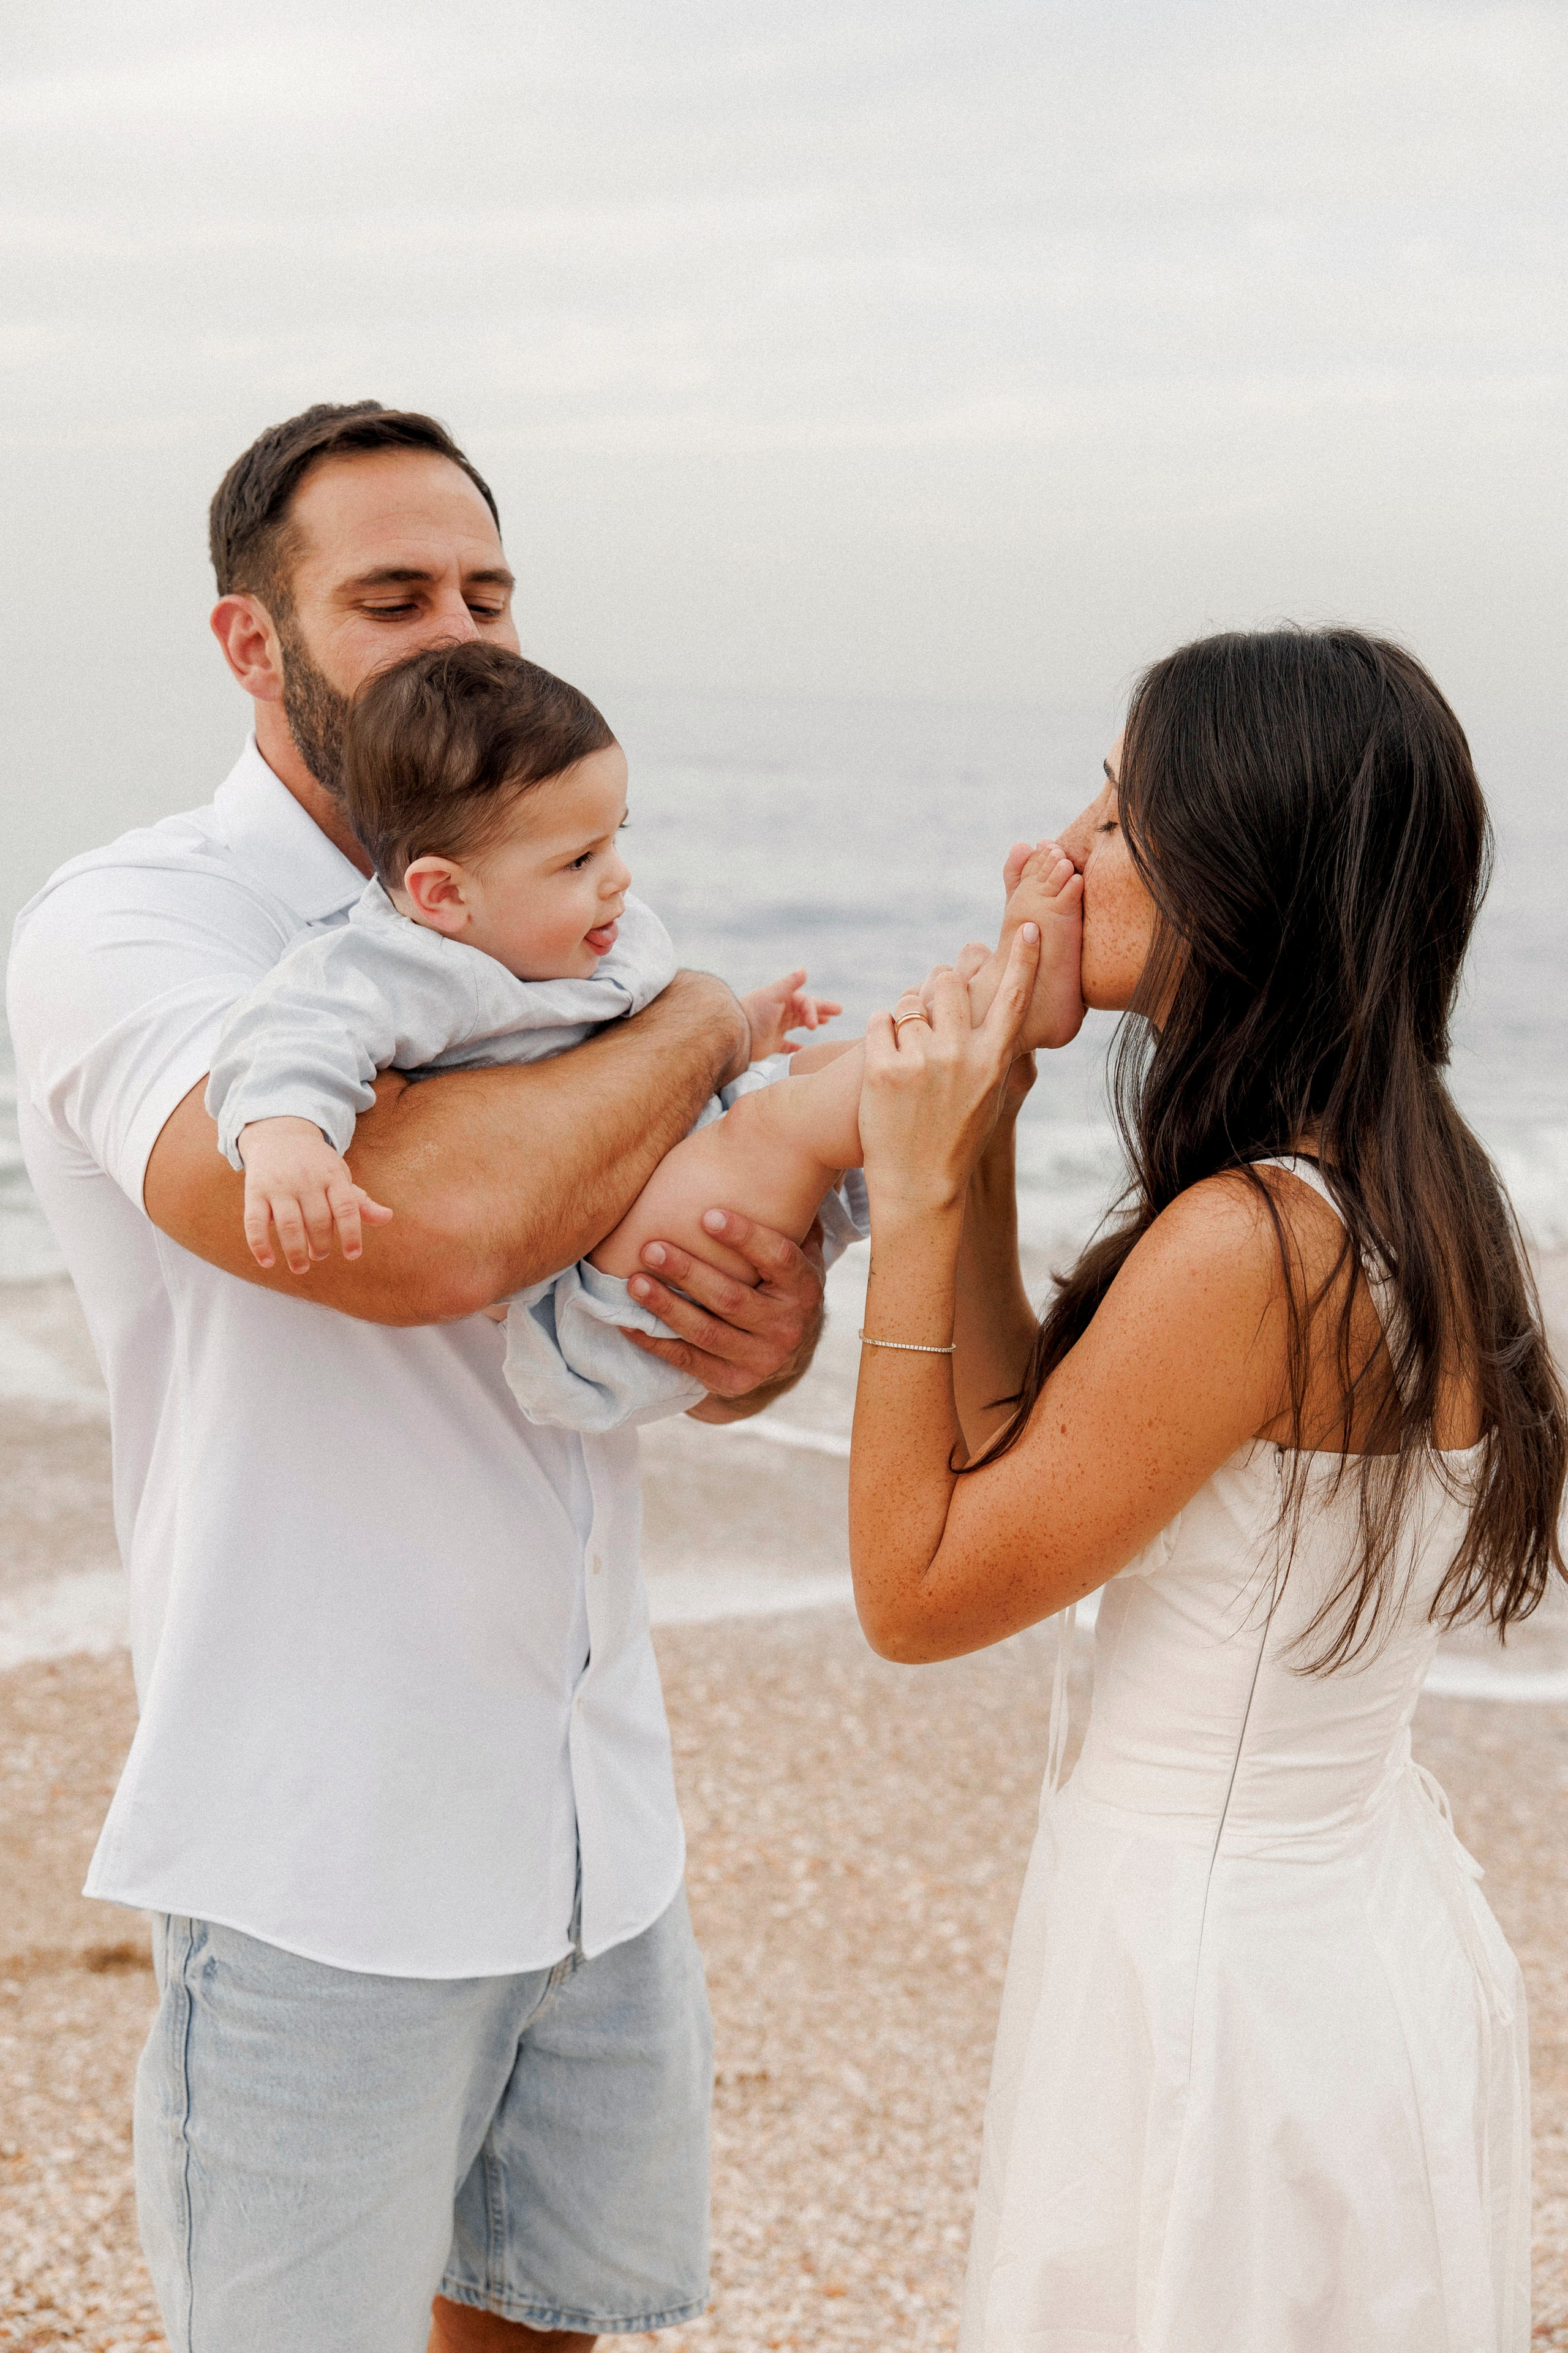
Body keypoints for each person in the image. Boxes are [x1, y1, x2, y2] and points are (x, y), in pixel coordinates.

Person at [6, 401, 835, 2353]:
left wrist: (765, 1331)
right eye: (391, 597)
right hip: (324, 1840)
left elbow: (678, 1232)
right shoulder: (139, 925)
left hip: (593, 1811)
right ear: (252, 640)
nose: (458, 631)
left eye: (487, 590)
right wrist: (698, 1023)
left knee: (545, 2329)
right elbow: (416, 1238)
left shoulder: (569, 896)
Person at [845, 629, 1567, 2352]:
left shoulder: (1252, 1245)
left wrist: (911, 1190)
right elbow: (1030, 1455)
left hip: (1220, 1978)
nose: (1059, 850)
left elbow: (916, 1591)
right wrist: (990, 1115)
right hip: (1336, 1925)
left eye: (1116, 811)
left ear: (1239, 869)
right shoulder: (1418, 1187)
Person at [208, 637, 1085, 1434]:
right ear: (444, 894)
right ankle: (1000, 1010)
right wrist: (286, 1138)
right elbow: (286, 1040)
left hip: (668, 1187)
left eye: (613, 839)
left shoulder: (561, 934)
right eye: (578, 860)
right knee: (781, 1122)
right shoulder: (384, 966)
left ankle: (1000, 1019)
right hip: (592, 1306)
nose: (618, 878)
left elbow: (645, 1041)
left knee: (818, 1069)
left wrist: (748, 1029)